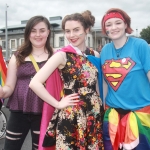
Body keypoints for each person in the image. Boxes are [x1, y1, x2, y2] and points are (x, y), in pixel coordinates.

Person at [29, 10, 104, 150]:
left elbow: (97, 85)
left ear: (86, 29)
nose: (71, 35)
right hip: (72, 114)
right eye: (67, 31)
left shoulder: (95, 54)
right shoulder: (62, 55)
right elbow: (34, 83)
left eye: (76, 30)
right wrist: (57, 104)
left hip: (93, 113)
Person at [87, 8, 150, 150]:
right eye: (109, 24)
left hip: (140, 116)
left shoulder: (140, 45)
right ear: (105, 29)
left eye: (118, 23)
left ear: (126, 24)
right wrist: (102, 108)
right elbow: (104, 83)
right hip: (112, 115)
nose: (113, 27)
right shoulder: (105, 50)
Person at [0, 15, 53, 150]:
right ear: (28, 33)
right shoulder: (18, 56)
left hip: (44, 111)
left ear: (48, 32)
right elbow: (9, 87)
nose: (38, 34)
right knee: (10, 147)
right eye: (33, 30)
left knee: (40, 148)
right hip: (19, 111)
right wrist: (2, 92)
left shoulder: (56, 56)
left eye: (42, 30)